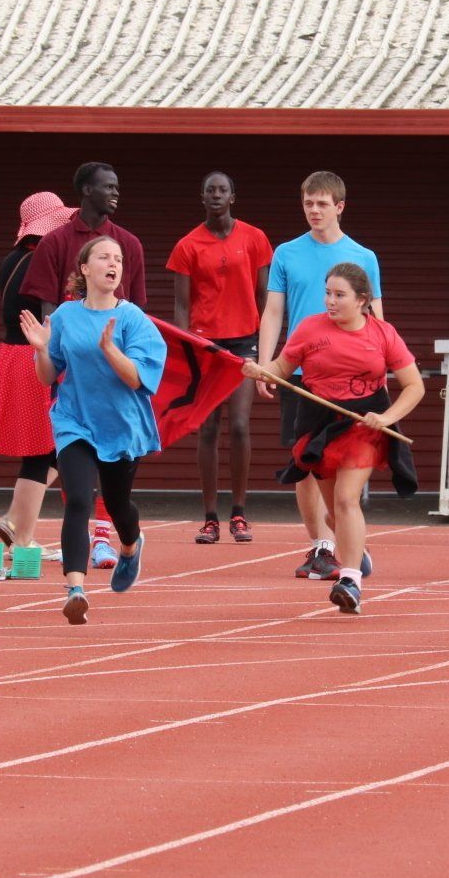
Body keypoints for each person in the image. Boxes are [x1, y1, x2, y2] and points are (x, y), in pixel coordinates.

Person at [248, 262, 422, 616]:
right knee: (333, 515)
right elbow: (282, 369)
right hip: (318, 420)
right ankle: (358, 551)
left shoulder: (383, 334)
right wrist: (260, 369)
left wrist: (387, 417)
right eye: (327, 293)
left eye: (339, 295)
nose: (330, 300)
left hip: (364, 422)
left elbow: (414, 386)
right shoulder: (310, 329)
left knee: (346, 499)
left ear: (362, 300)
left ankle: (351, 581)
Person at [20, 236, 166, 625]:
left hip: (121, 426)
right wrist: (39, 348)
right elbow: (48, 376)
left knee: (118, 507)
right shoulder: (65, 318)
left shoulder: (134, 319)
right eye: (103, 257)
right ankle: (75, 590)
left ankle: (131, 546)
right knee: (79, 501)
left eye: (118, 258)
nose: (112, 263)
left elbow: (138, 379)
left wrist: (110, 350)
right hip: (75, 421)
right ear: (85, 269)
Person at [258, 172, 384, 581]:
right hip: (300, 373)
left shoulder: (363, 257)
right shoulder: (286, 254)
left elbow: (376, 317)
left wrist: (381, 371)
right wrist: (266, 363)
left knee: (343, 463)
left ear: (340, 207)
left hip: (351, 379)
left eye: (322, 204)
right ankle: (323, 545)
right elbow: (274, 311)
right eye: (308, 203)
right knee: (307, 461)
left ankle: (348, 543)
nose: (314, 211)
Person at [21, 162, 148, 570]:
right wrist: (54, 352)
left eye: (118, 186)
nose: (116, 193)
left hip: (116, 375)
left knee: (114, 475)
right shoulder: (55, 242)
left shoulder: (128, 242)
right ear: (86, 192)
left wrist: (124, 358)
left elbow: (138, 313)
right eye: (108, 187)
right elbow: (46, 308)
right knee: (74, 462)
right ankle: (83, 553)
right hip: (72, 368)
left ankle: (106, 538)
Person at [168, 171, 271, 544]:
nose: (216, 195)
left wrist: (264, 345)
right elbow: (181, 304)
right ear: (202, 197)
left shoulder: (255, 238)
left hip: (244, 344)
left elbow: (265, 296)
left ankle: (239, 512)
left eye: (222, 190)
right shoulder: (187, 245)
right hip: (206, 347)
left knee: (240, 426)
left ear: (233, 196)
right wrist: (186, 350)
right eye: (209, 190)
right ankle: (210, 517)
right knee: (208, 429)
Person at [0, 191, 73, 553]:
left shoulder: (10, 260)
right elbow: (52, 313)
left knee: (50, 449)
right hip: (35, 354)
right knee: (47, 451)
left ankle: (15, 519)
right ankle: (22, 535)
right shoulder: (43, 262)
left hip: (11, 354)